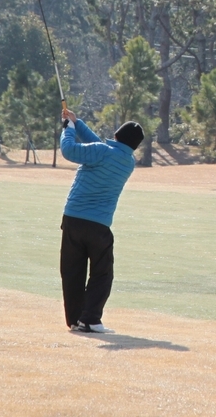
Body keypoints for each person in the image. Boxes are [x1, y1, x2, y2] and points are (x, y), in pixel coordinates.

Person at [58, 107, 144, 333]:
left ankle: (77, 319)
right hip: (99, 226)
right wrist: (78, 124)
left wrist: (68, 128)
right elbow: (99, 148)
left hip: (73, 219)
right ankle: (90, 318)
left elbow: (68, 150)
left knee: (72, 271)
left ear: (116, 136)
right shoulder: (127, 162)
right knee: (102, 273)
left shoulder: (101, 152)